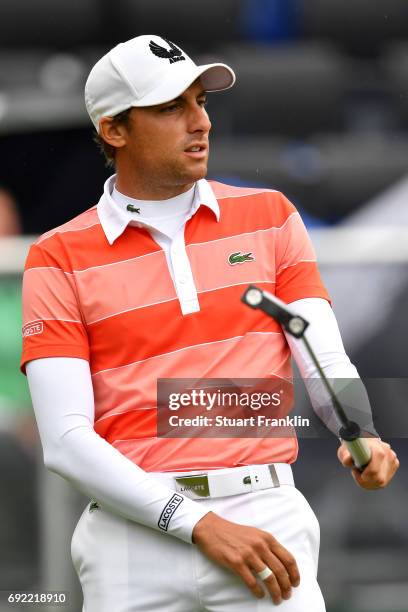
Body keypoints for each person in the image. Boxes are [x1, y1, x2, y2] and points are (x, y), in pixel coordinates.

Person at [21, 35, 399, 611]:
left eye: (201, 102)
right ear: (113, 130)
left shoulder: (270, 215)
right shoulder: (58, 255)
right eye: (171, 107)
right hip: (131, 541)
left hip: (268, 519)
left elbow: (324, 355)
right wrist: (199, 524)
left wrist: (359, 429)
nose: (199, 122)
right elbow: (66, 441)